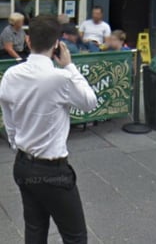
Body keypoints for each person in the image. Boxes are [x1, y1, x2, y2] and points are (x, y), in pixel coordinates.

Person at [0, 15, 97, 244]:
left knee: (35, 230)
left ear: (28, 41)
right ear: (57, 44)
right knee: (75, 237)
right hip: (52, 171)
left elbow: (9, 118)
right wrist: (70, 65)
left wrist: (18, 145)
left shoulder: (11, 75)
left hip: (23, 164)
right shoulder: (60, 78)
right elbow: (89, 102)